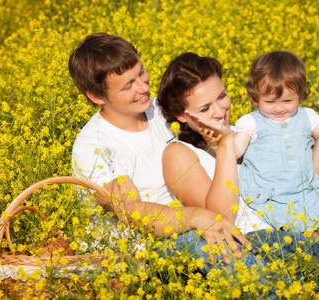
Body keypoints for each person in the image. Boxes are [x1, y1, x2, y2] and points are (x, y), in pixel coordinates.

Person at [68, 32, 250, 263]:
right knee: (223, 250)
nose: (143, 87)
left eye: (141, 72)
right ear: (96, 96)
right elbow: (132, 212)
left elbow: (223, 144)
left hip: (206, 217)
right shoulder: (93, 146)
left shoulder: (162, 110)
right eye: (128, 86)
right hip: (148, 245)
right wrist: (197, 217)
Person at [230, 51, 319, 245]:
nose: (279, 108)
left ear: (300, 92)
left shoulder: (307, 117)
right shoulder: (251, 122)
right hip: (273, 200)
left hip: (306, 194)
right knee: (310, 240)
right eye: (269, 101)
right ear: (255, 95)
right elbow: (236, 150)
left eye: (288, 101)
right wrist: (219, 139)